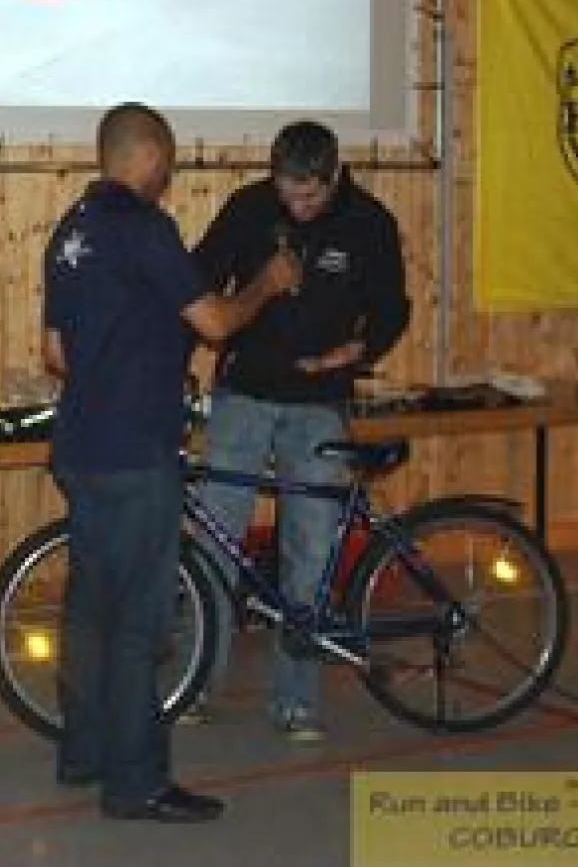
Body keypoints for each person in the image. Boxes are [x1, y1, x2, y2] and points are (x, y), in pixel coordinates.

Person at [42, 102, 298, 822]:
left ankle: (84, 752)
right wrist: (267, 286)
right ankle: (137, 782)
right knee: (140, 623)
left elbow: (54, 353)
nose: (171, 175)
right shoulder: (142, 226)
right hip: (136, 451)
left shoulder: (71, 231)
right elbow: (215, 322)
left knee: (90, 608)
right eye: (171, 161)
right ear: (150, 154)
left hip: (82, 446)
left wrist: (134, 356)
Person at [189, 120, 410, 742]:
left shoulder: (369, 223)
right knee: (215, 538)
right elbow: (199, 282)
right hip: (244, 394)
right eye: (288, 192)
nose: (297, 206)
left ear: (334, 176)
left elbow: (393, 308)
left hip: (319, 402)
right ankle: (198, 684)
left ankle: (296, 700)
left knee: (310, 550)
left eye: (310, 196)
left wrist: (358, 351)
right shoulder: (248, 208)